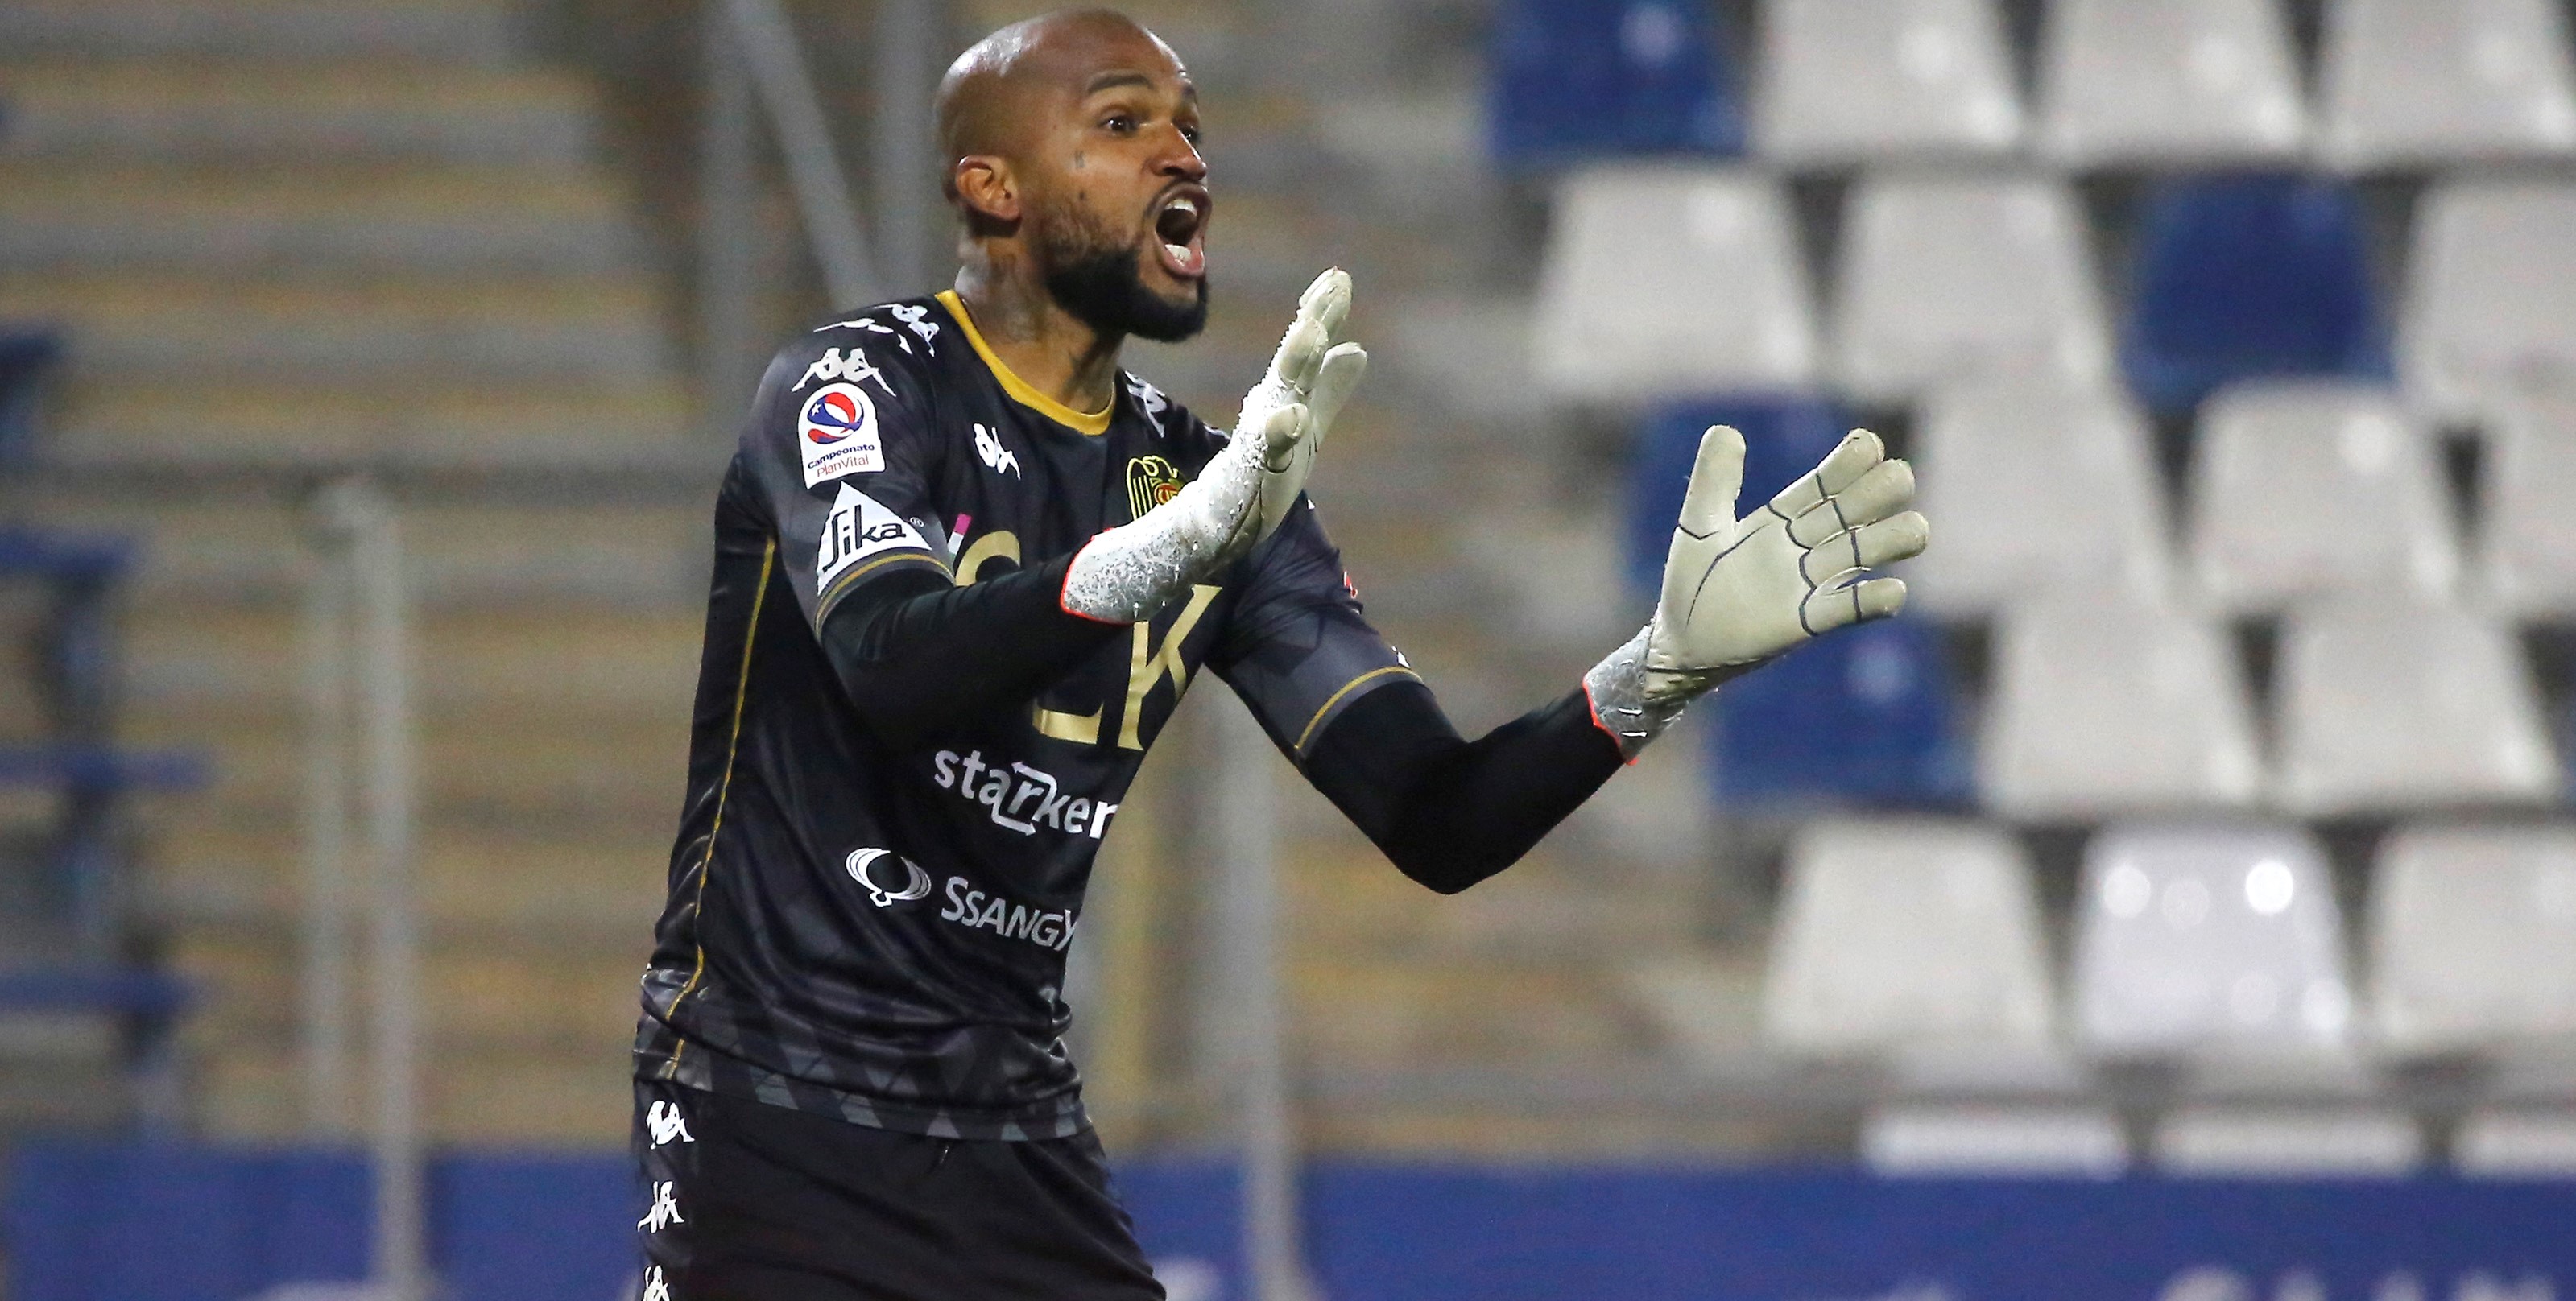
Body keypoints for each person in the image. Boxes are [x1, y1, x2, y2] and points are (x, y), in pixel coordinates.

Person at [630, 9, 1928, 1298]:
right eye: (1125, 123)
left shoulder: (1220, 488)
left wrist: (1652, 677)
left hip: (1010, 1147)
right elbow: (887, 658)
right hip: (769, 1104)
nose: (1184, 157)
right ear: (995, 187)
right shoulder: (859, 382)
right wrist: (1161, 552)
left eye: (1191, 128)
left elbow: (1437, 816)